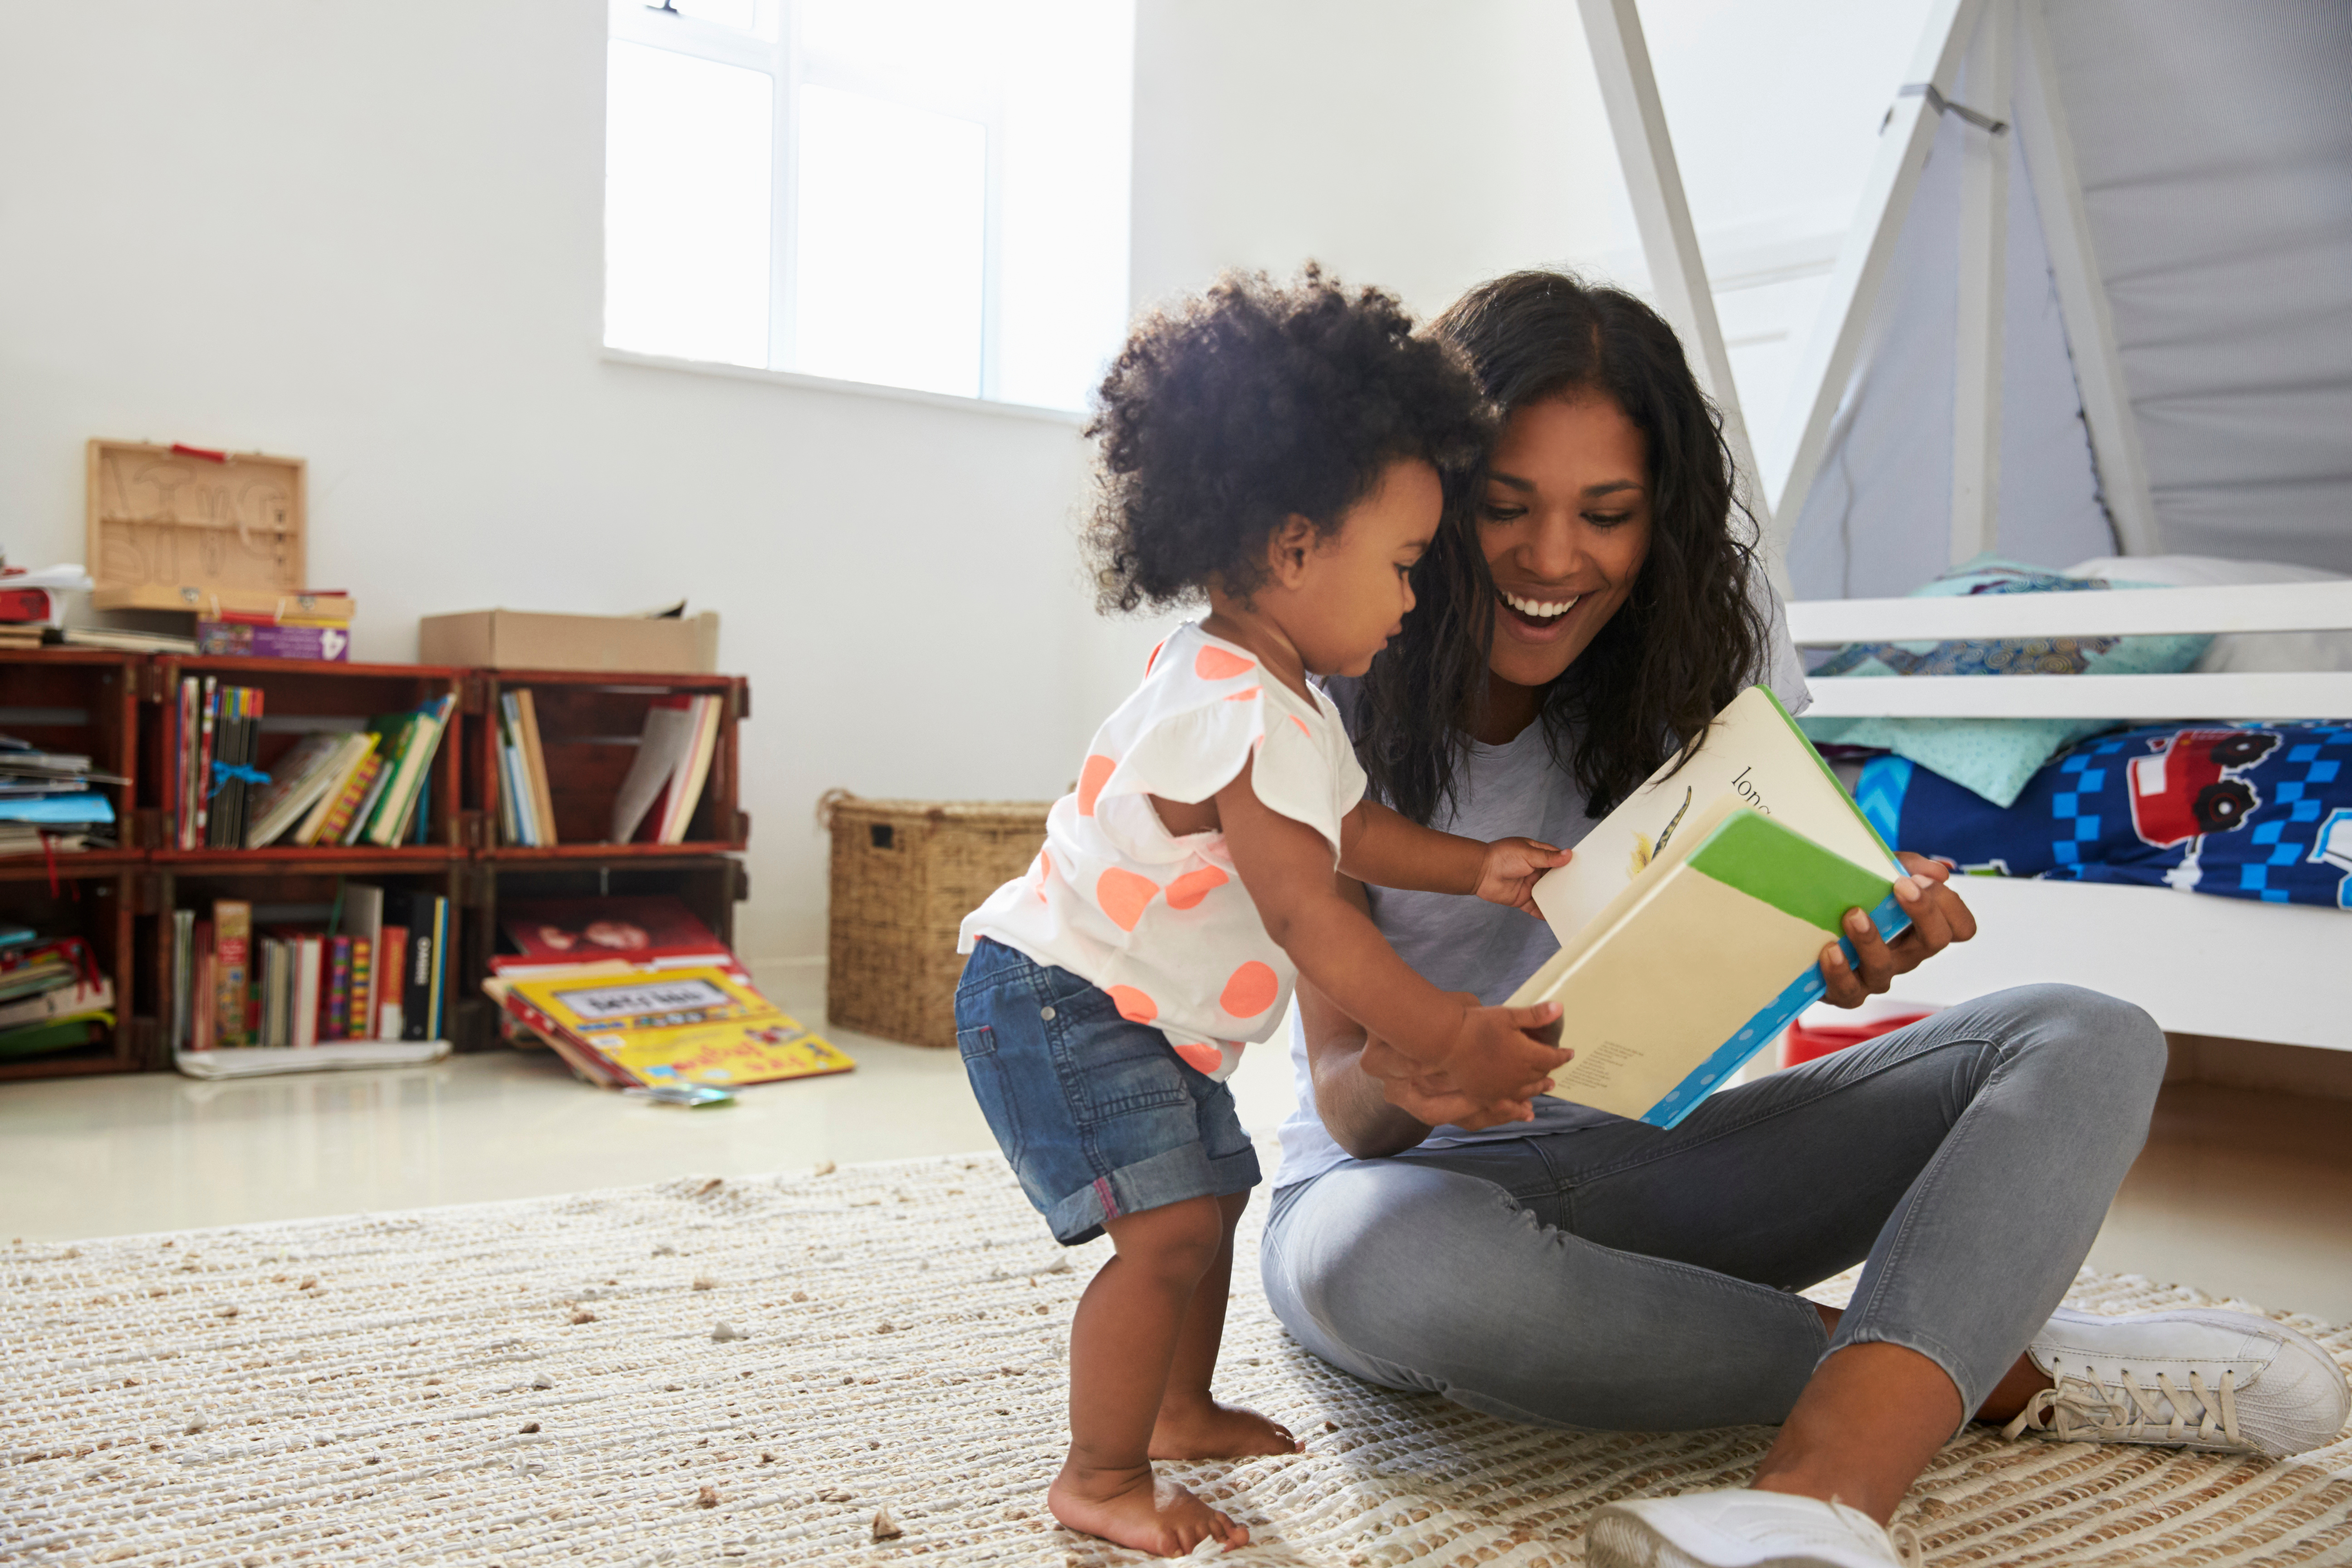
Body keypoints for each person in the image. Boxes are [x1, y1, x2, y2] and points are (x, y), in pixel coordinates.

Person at [1262, 269, 2350, 1568]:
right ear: (1429, 503)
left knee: (2089, 1035)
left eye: (1606, 516)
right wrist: (1420, 1075)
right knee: (1381, 1268)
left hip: (1649, 1157)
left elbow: (1736, 957)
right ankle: (1972, 1370)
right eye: (1506, 508)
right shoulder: (1321, 688)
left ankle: (1818, 1500)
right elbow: (1342, 1096)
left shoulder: (1698, 661)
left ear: (1657, 524)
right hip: (1401, 1185)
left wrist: (1831, 955)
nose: (1554, 561)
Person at [954, 269, 1578, 1557]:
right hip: (1059, 998)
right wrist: (1448, 1032)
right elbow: (1312, 918)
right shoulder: (1236, 710)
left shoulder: (1276, 694)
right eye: (1405, 566)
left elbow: (1351, 836)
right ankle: (1099, 1471)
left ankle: (1177, 1406)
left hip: (1127, 1006)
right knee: (1169, 1230)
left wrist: (1477, 868)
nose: (1415, 603)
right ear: (1296, 546)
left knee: (1218, 1195)